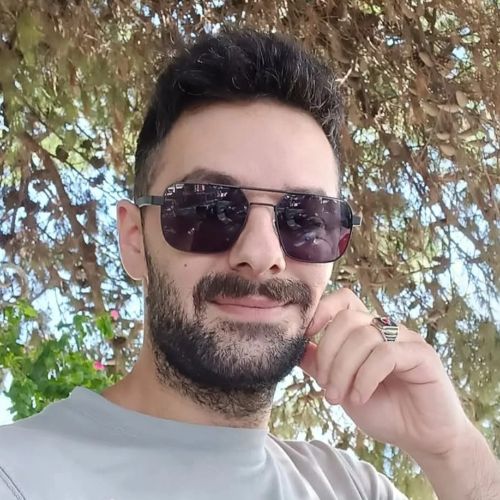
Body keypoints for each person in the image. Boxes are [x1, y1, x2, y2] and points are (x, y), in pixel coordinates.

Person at [0, 29, 498, 500]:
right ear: (134, 239)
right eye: (209, 209)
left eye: (304, 219)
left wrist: (451, 450)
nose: (262, 255)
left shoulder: (348, 487)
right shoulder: (20, 476)